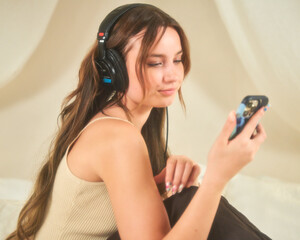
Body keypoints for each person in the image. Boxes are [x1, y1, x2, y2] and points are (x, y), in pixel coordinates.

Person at [7, 3, 270, 240]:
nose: (173, 75)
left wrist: (159, 184)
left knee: (184, 200)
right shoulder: (117, 137)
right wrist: (217, 177)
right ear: (115, 70)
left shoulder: (115, 123)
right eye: (156, 63)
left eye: (177, 60)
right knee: (194, 200)